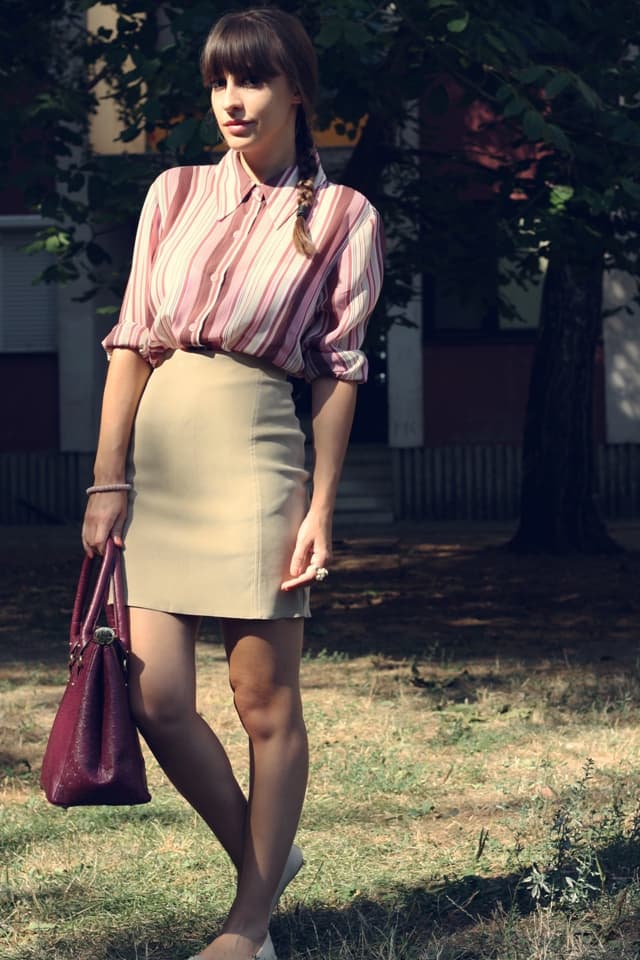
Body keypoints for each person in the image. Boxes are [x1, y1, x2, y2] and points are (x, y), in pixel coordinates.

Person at [81, 7, 384, 960]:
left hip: (258, 451)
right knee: (156, 696)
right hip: (163, 460)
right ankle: (270, 862)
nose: (231, 101)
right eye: (218, 82)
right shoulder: (171, 193)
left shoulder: (344, 217)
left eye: (250, 80)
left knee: (263, 699)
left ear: (297, 89)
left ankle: (249, 924)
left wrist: (322, 505)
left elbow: (339, 370)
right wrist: (106, 481)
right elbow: (132, 341)